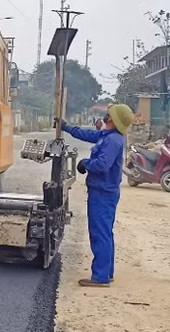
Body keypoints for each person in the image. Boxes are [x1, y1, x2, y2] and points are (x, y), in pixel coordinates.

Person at [56, 103, 134, 287]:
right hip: (103, 191)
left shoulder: (113, 140)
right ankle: (107, 272)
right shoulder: (107, 135)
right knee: (105, 232)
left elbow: (102, 164)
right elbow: (88, 134)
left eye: (110, 114)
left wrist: (85, 163)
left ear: (114, 121)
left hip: (103, 193)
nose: (107, 116)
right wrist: (66, 127)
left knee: (100, 233)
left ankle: (100, 277)